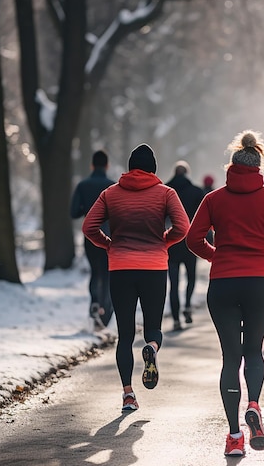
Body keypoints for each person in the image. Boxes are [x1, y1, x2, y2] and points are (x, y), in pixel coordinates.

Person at [186, 130, 264, 457]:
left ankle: (235, 436)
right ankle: (254, 405)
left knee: (230, 358)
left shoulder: (213, 199)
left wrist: (216, 255)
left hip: (222, 283)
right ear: (259, 166)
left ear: (231, 167)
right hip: (259, 283)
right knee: (254, 351)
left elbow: (193, 239)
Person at [83, 144, 190, 413]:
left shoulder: (110, 194)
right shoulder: (166, 194)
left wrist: (109, 244)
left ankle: (128, 395)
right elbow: (183, 227)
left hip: (120, 268)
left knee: (125, 334)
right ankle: (152, 347)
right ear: (153, 168)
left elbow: (88, 227)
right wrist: (164, 242)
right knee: (153, 327)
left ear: (130, 167)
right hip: (154, 267)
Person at [70, 150, 115, 330]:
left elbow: (73, 213)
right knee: (107, 273)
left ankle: (94, 303)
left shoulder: (83, 185)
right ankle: (105, 312)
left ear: (92, 165)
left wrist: (87, 209)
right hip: (109, 237)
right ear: (107, 166)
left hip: (90, 236)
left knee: (94, 272)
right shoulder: (113, 186)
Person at [165, 161, 205, 331]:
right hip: (190, 242)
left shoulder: (165, 191)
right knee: (191, 278)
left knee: (173, 283)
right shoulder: (196, 192)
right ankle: (187, 305)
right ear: (187, 173)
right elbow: (203, 218)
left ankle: (175, 319)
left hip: (171, 242)